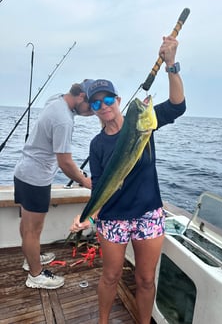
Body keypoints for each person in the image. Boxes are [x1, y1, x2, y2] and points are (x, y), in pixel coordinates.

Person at [70, 35, 186, 324]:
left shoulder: (143, 122)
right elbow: (101, 187)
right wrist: (87, 215)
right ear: (93, 111)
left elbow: (177, 105)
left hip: (148, 213)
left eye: (108, 99)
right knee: (110, 276)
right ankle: (103, 321)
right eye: (97, 103)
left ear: (118, 100)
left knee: (146, 279)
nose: (104, 105)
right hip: (113, 218)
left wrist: (171, 65)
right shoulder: (97, 145)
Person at [14, 81, 93, 289]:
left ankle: (30, 259)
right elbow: (65, 162)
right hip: (36, 179)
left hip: (23, 172)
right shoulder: (64, 121)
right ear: (81, 97)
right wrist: (85, 181)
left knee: (27, 226)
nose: (92, 113)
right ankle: (35, 274)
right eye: (91, 106)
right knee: (33, 230)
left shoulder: (56, 99)